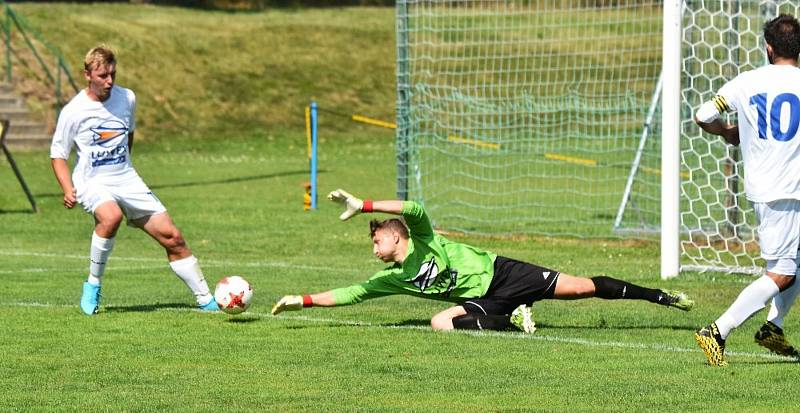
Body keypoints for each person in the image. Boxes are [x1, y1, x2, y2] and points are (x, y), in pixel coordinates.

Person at [271, 189, 693, 332]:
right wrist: (302, 300)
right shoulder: (394, 277)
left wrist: (363, 204)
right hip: (483, 299)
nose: (374, 248)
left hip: (503, 272)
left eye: (377, 239)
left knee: (582, 287)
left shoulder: (420, 236)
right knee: (440, 323)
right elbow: (351, 293)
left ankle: (661, 298)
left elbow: (414, 206)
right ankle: (507, 319)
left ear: (395, 234)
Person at [50, 45, 218, 315]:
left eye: (113, 74)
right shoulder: (74, 111)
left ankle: (206, 300)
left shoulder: (127, 98)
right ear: (87, 75)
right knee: (111, 217)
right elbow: (58, 155)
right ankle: (92, 285)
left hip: (127, 178)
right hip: (92, 182)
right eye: (103, 75)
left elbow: (128, 135)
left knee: (173, 238)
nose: (110, 81)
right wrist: (68, 188)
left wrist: (123, 167)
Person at [693, 14, 800, 366]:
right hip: (786, 191)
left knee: (794, 265)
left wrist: (727, 132)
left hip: (767, 186)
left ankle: (773, 327)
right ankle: (717, 331)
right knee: (782, 272)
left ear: (768, 48)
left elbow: (702, 114)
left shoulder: (745, 82)